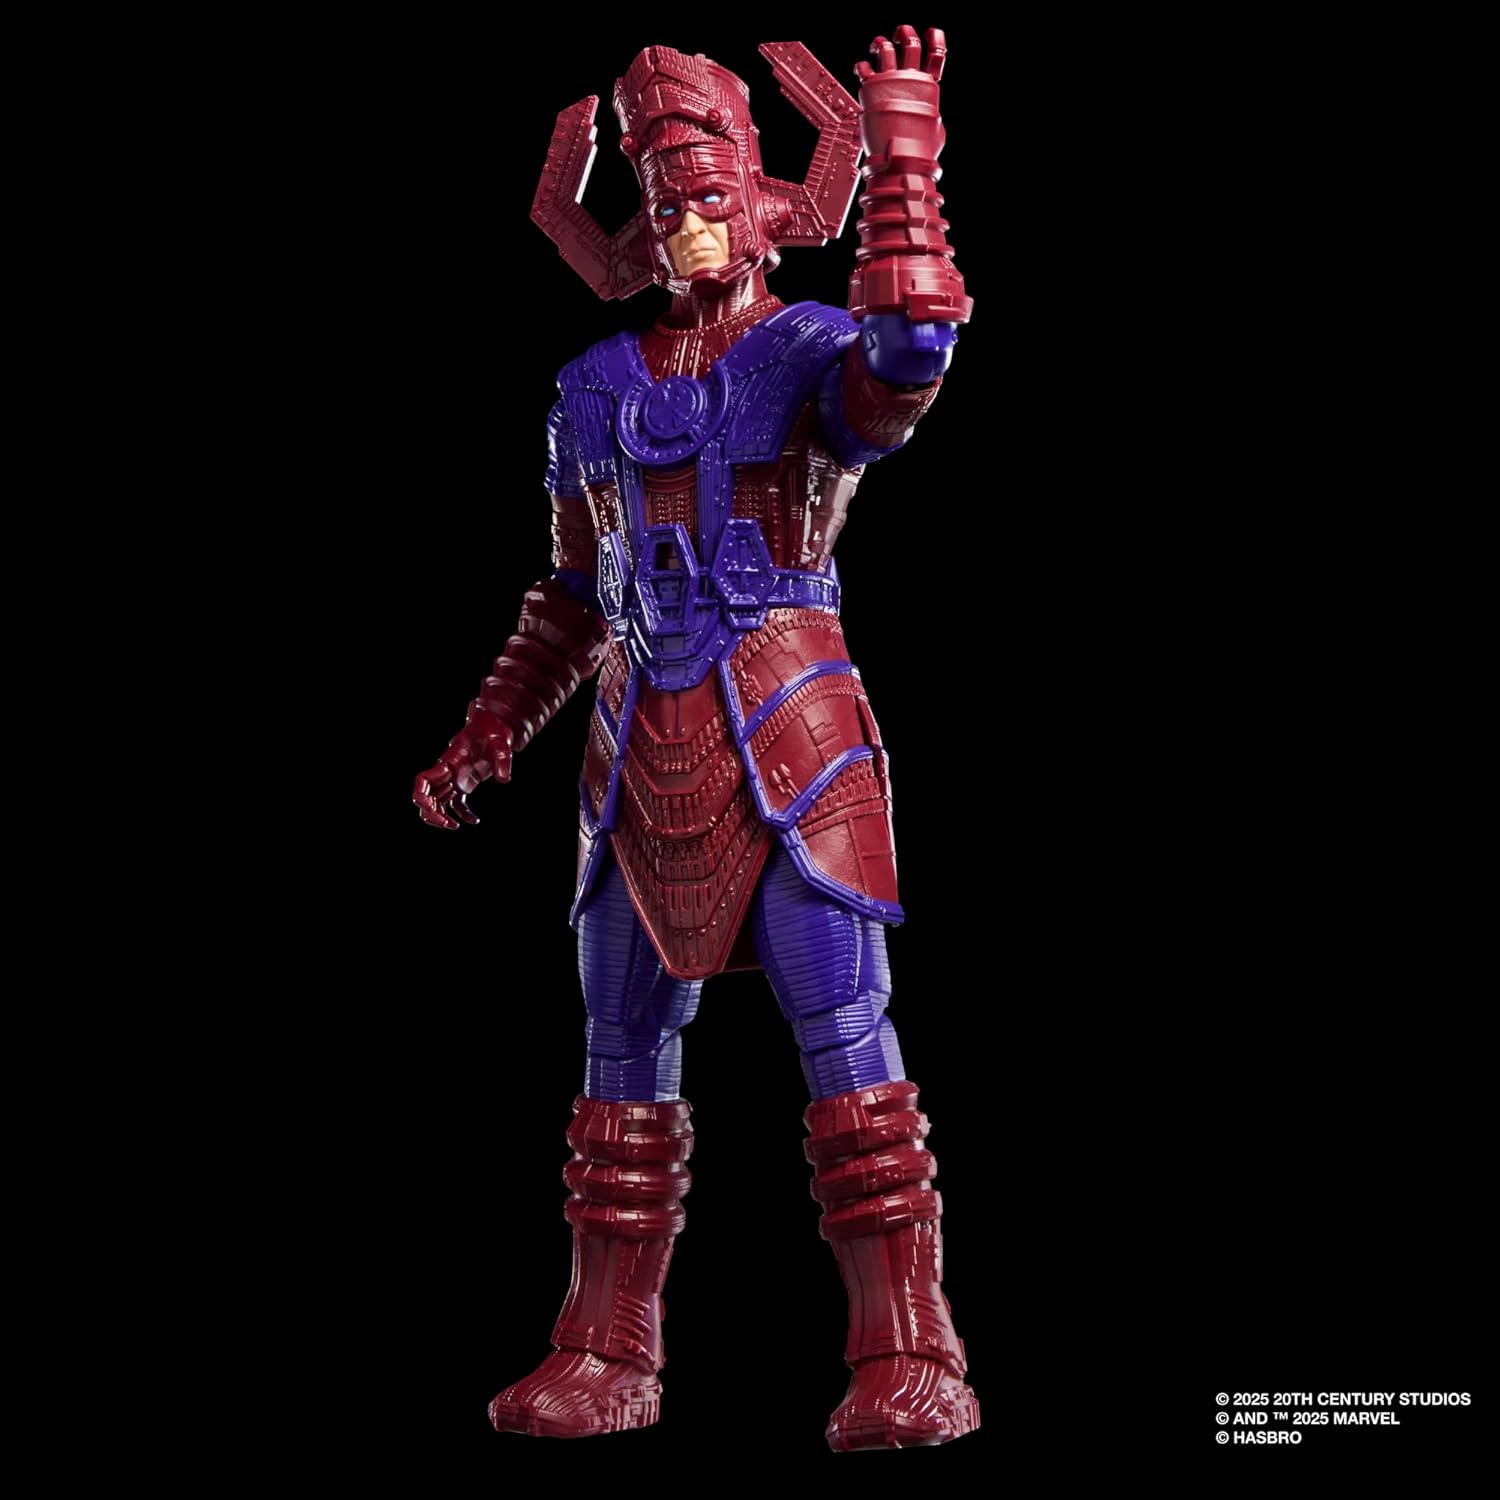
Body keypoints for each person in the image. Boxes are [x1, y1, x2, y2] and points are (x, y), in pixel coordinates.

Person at [413, 27, 978, 1451]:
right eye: (662, 196)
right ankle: (606, 1349)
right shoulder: (594, 386)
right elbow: (571, 593)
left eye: (708, 188)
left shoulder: (809, 349)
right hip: (632, 745)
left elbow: (911, 356)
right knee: (617, 1055)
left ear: (768, 196)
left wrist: (906, 157)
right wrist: (489, 731)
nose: (686, 218)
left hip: (794, 735)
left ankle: (909, 1351)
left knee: (845, 1038)